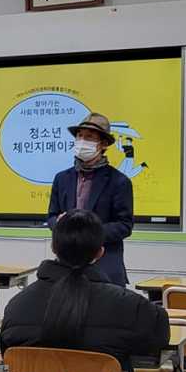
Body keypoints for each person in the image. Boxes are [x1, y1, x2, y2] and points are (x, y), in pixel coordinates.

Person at [0, 209, 170, 372]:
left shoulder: (17, 306)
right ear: (100, 252)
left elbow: (6, 350)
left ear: (54, 247)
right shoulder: (130, 306)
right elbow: (158, 341)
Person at [47, 112, 134, 286]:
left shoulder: (119, 181)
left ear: (103, 144)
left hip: (105, 266)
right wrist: (61, 225)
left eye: (89, 137)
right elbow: (51, 216)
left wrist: (88, 234)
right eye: (79, 136)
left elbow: (124, 225)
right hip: (66, 266)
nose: (82, 141)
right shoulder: (62, 178)